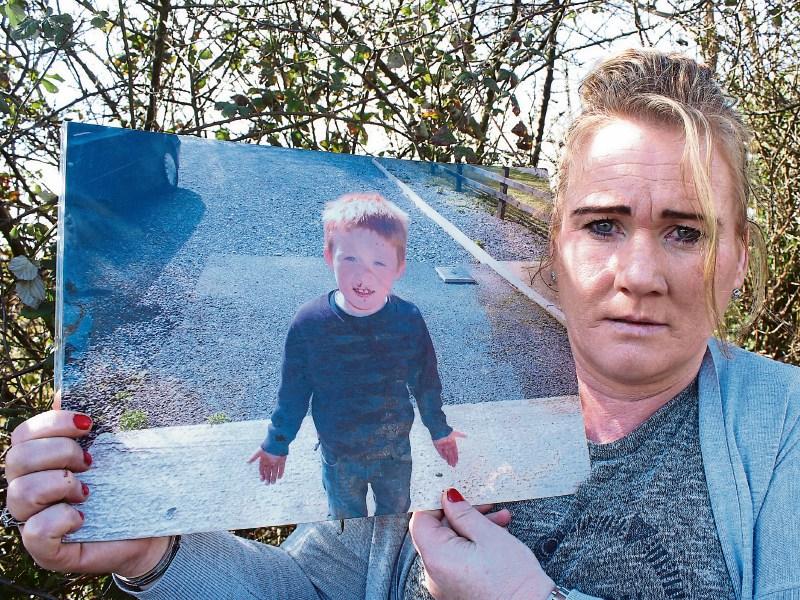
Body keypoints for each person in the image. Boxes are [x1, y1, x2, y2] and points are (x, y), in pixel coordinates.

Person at [4, 48, 799, 599]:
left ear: (736, 258)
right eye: (602, 225)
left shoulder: (782, 432)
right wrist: (155, 552)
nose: (639, 274)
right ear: (553, 244)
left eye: (685, 232)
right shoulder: (447, 388)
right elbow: (315, 589)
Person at [247, 192, 464, 519]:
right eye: (350, 260)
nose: (364, 277)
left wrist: (439, 428)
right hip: (340, 455)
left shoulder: (408, 319)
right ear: (328, 256)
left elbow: (426, 382)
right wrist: (277, 443)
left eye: (379, 263)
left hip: (394, 452)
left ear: (399, 268)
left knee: (395, 516)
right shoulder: (309, 324)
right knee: (345, 522)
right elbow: (293, 393)